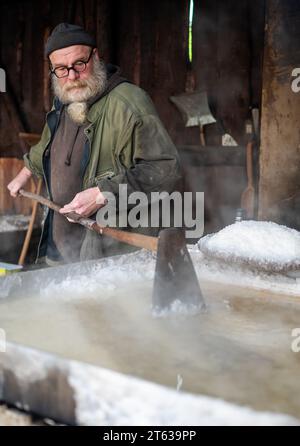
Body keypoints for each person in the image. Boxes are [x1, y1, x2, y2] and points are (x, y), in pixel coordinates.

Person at [8, 23, 181, 264]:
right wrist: (24, 173)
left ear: (95, 56)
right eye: (61, 69)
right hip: (60, 247)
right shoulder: (63, 102)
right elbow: (46, 148)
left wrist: (103, 194)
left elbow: (166, 170)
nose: (72, 76)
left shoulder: (129, 103)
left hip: (107, 254)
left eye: (79, 64)